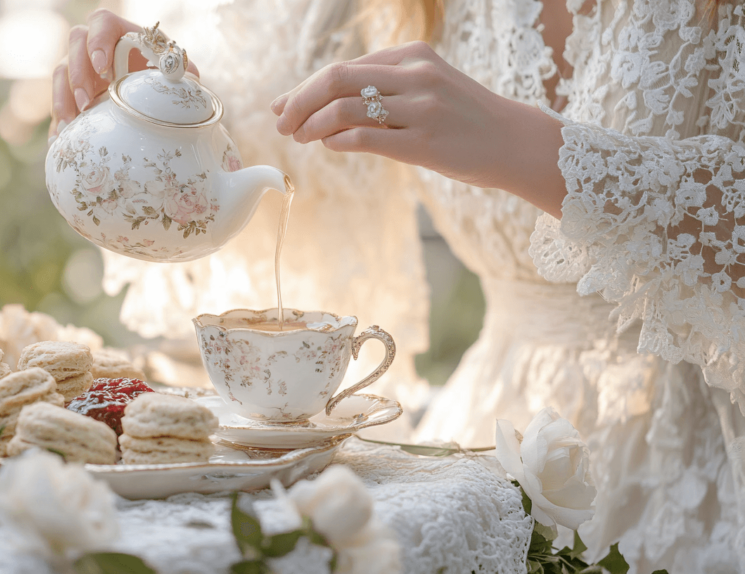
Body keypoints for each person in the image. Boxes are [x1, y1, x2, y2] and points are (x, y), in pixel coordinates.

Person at [52, 1, 745, 572]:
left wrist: (532, 150)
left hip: (713, 464)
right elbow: (282, 130)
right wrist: (165, 103)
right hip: (491, 449)